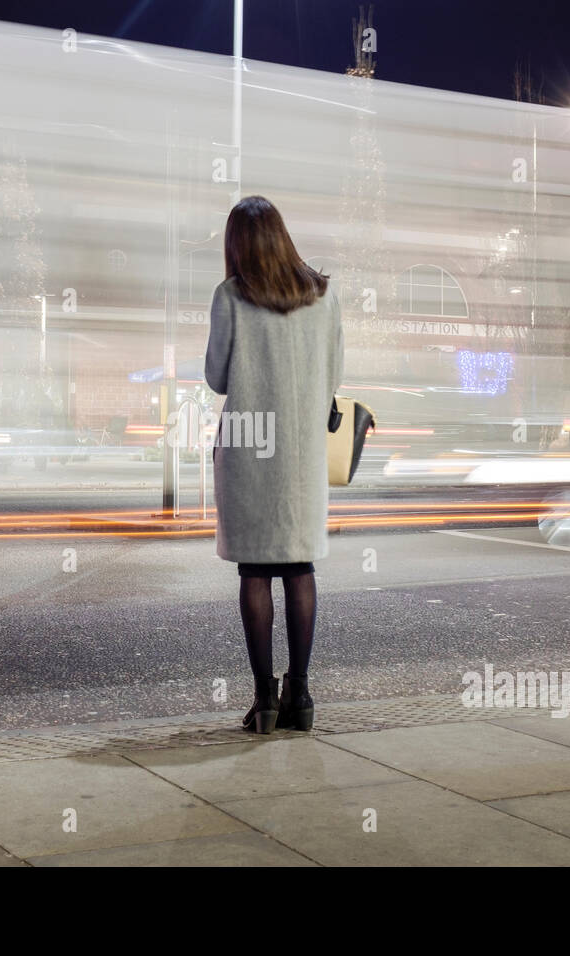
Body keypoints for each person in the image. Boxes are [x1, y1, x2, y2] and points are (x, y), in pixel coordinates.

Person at [204, 196, 344, 734]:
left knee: (256, 571)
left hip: (250, 445)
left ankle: (264, 702)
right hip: (303, 453)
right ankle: (301, 697)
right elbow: (333, 373)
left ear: (237, 244)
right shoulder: (325, 296)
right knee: (301, 568)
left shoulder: (232, 296)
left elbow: (218, 378)